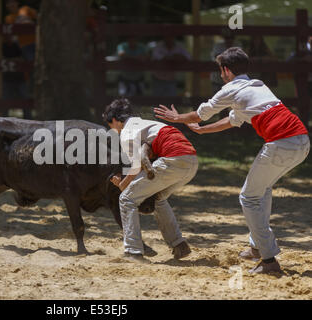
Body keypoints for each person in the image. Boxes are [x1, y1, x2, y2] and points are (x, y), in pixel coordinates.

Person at [154, 47, 309, 274]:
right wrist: (203, 131)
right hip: (301, 141)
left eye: (220, 70)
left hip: (283, 143)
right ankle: (257, 247)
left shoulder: (231, 89)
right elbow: (232, 119)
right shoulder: (256, 86)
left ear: (225, 70)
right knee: (261, 190)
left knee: (248, 197)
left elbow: (200, 113)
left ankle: (268, 260)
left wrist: (177, 118)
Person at [104, 98, 197, 263]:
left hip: (173, 160)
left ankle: (133, 251)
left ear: (114, 121)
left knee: (126, 199)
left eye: (110, 126)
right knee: (158, 197)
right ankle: (179, 245)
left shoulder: (127, 132)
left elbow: (136, 166)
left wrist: (123, 185)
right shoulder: (146, 124)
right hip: (191, 161)